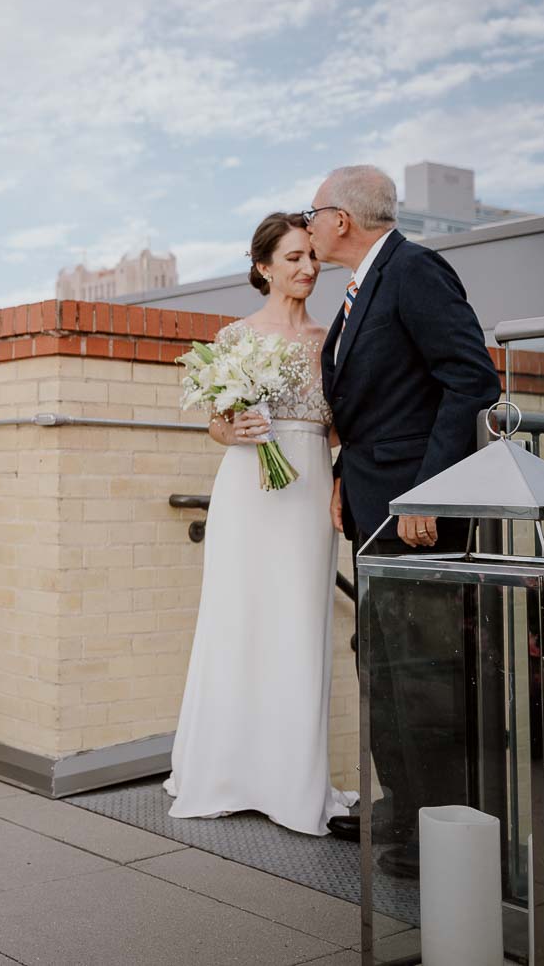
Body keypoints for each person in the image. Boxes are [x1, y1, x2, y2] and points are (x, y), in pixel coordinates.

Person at [309, 165, 499, 873]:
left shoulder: (416, 271)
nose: (309, 222)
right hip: (371, 501)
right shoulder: (362, 287)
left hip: (416, 511)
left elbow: (471, 378)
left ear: (342, 220)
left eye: (314, 210)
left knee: (425, 672)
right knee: (383, 662)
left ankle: (443, 835)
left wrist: (430, 491)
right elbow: (377, 404)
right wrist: (340, 477)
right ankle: (405, 806)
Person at [164, 213, 358, 837]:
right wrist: (234, 428)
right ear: (263, 267)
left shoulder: (332, 339)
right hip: (247, 488)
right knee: (237, 621)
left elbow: (339, 427)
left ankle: (292, 784)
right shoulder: (233, 337)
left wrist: (336, 477)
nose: (307, 268)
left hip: (306, 489)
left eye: (313, 258)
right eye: (295, 258)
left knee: (299, 626)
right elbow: (217, 423)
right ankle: (224, 774)